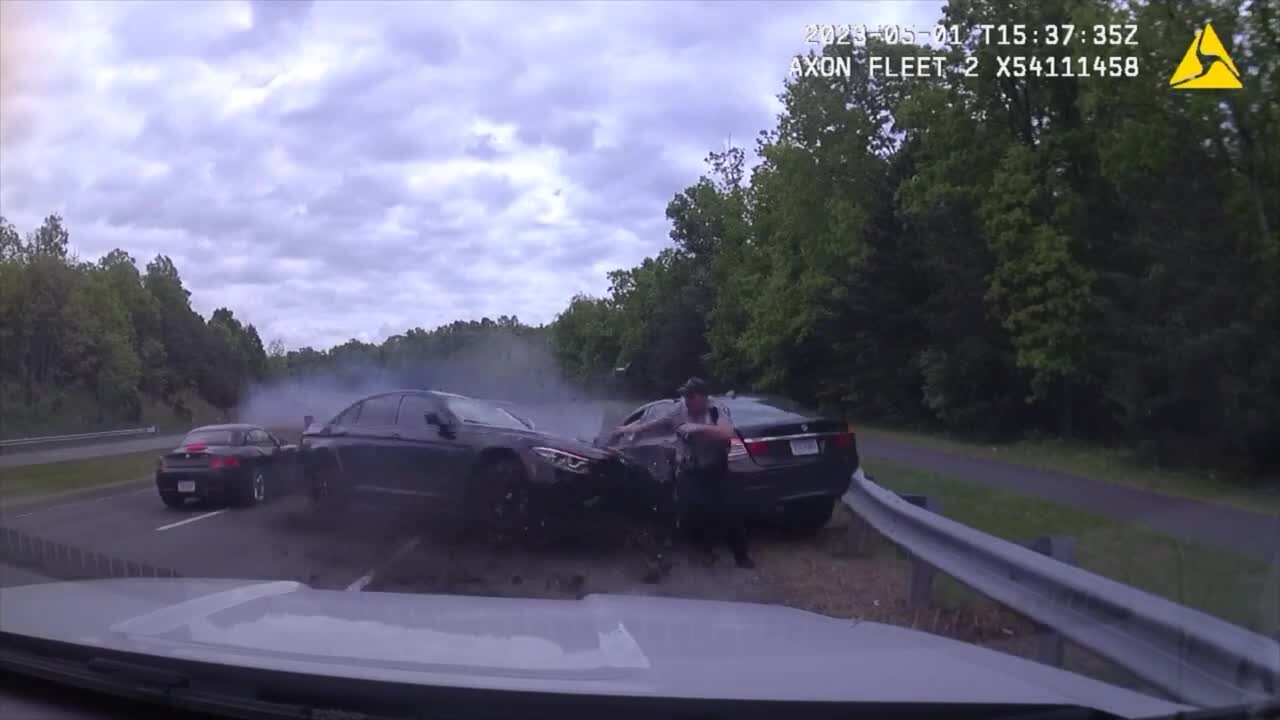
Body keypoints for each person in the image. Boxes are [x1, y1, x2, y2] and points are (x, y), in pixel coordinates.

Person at [610, 377, 755, 569]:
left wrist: (698, 428)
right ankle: (705, 551)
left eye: (691, 396)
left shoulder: (715, 409)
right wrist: (627, 428)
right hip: (689, 470)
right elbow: (652, 423)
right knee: (689, 513)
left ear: (703, 397)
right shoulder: (679, 409)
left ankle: (741, 556)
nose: (687, 400)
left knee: (728, 513)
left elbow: (727, 432)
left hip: (715, 469)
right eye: (685, 396)